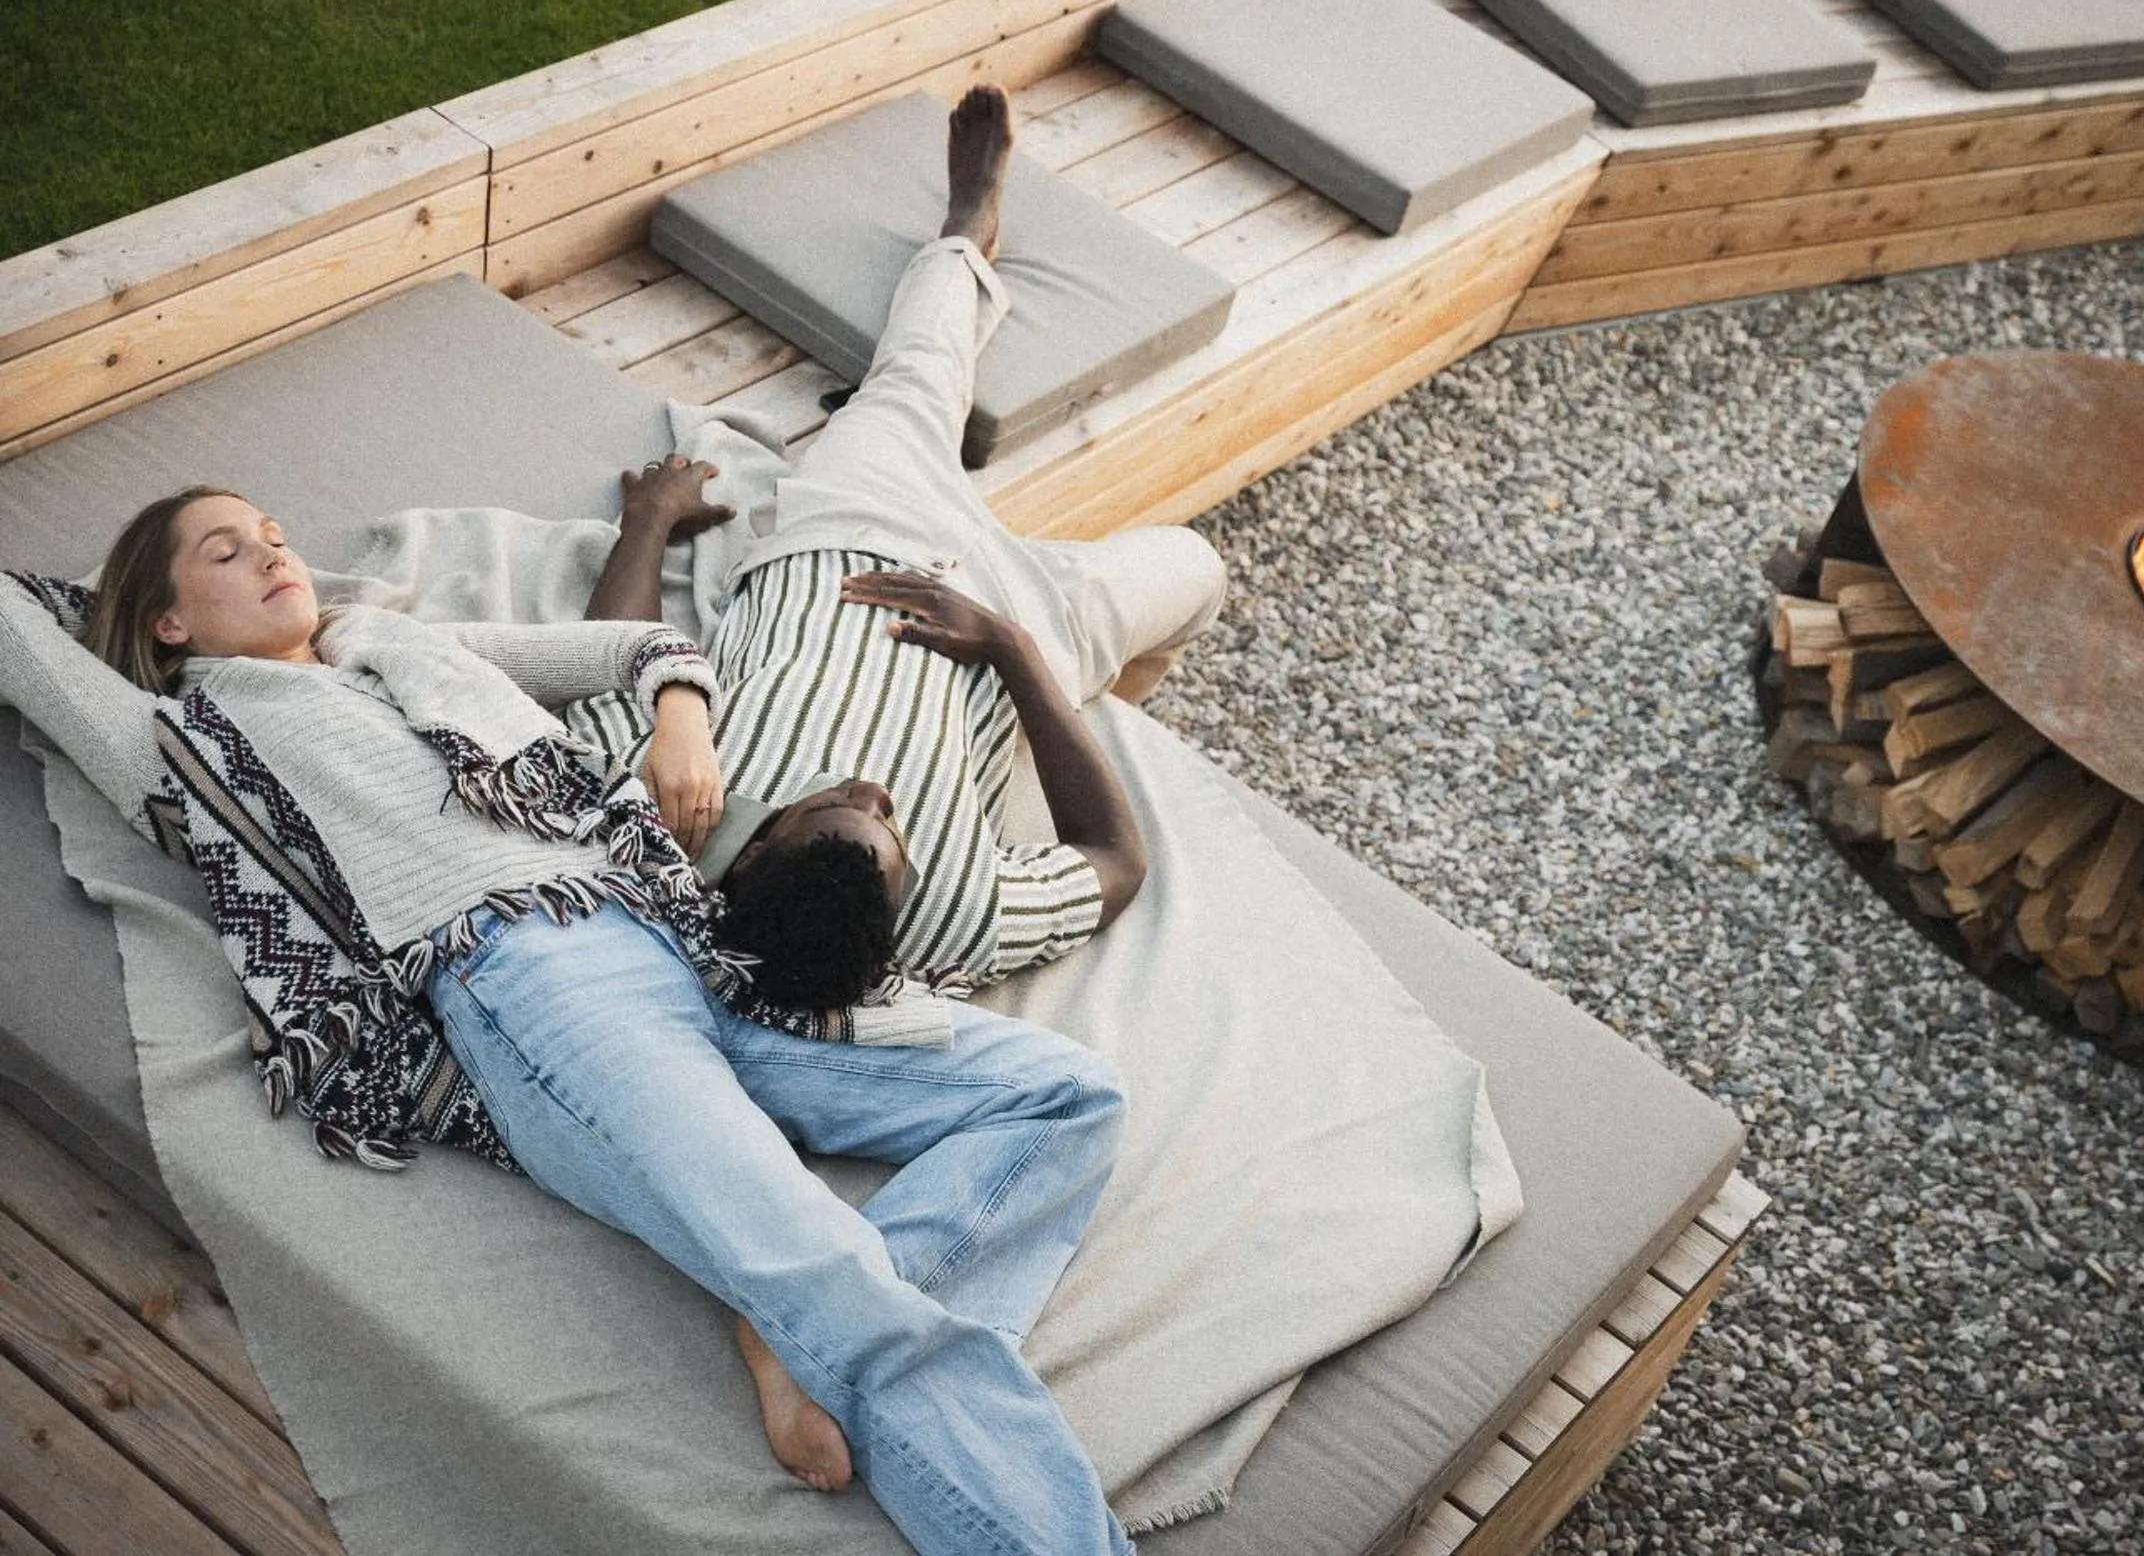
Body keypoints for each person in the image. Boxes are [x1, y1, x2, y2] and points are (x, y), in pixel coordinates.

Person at [0, 100, 1145, 1556]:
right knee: (835, 1279)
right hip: (541, 990)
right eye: (227, 552)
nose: (274, 548)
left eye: (274, 528)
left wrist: (678, 706)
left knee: (1067, 1097)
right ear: (169, 620)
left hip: (685, 935)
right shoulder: (188, 742)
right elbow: (21, 639)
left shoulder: (395, 643)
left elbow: (619, 655)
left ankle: (777, 1326)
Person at [560, 82, 1229, 1505]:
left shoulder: (693, 803)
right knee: (1194, 565)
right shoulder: (952, 913)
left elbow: (629, 647)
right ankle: (1082, 629)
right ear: (910, 897)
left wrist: (651, 522)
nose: (869, 790)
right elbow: (1116, 860)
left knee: (913, 374)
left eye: (835, 800)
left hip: (865, 527)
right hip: (1023, 622)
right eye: (888, 821)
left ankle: (969, 220)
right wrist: (1019, 661)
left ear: (764, 838)